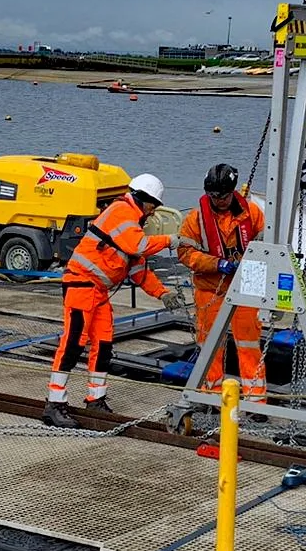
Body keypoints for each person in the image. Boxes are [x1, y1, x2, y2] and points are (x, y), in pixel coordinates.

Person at [43, 174, 173, 427]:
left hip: (98, 291)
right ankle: (54, 404)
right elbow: (140, 246)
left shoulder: (131, 222)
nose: (153, 211)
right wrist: (171, 240)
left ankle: (96, 399)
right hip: (81, 286)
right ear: (142, 199)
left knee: (103, 345)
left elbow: (138, 270)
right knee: (73, 344)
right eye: (153, 205)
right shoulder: (122, 212)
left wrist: (163, 293)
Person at [175, 162, 267, 404]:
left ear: (232, 191)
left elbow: (265, 249)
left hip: (246, 287)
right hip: (210, 288)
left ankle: (256, 401)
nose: (218, 201)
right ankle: (211, 398)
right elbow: (185, 254)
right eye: (213, 196)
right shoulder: (195, 220)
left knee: (248, 344)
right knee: (209, 345)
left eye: (223, 195)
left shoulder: (253, 214)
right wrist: (216, 264)